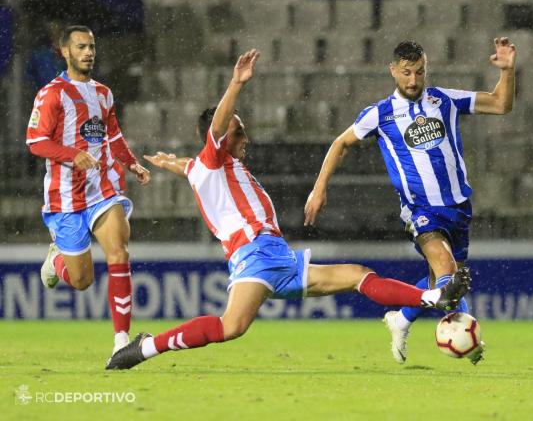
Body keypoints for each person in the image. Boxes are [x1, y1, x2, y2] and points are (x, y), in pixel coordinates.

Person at [105, 49, 471, 370]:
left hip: (275, 256)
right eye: (238, 133)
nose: (244, 138)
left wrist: (169, 162)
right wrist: (236, 84)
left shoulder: (204, 167)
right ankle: (146, 347)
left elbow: (189, 166)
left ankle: (431, 297)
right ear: (217, 140)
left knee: (358, 276)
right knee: (230, 326)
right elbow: (216, 129)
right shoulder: (214, 158)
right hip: (256, 253)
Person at [304, 38, 516, 364]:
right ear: (393, 71)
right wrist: (319, 188)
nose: (413, 80)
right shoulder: (381, 114)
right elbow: (340, 143)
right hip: (420, 209)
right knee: (449, 273)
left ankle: (401, 318)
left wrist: (508, 70)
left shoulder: (444, 99)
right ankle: (466, 338)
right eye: (406, 73)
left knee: (439, 279)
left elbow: (501, 104)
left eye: (419, 72)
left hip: (458, 206)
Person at [25, 25, 151, 358]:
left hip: (103, 189)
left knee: (119, 252)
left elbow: (113, 136)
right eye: (81, 47)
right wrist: (73, 155)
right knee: (82, 281)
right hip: (66, 197)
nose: (88, 52)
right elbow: (35, 141)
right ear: (65, 52)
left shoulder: (104, 93)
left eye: (91, 46)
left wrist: (131, 163)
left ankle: (121, 342)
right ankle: (58, 261)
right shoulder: (51, 94)